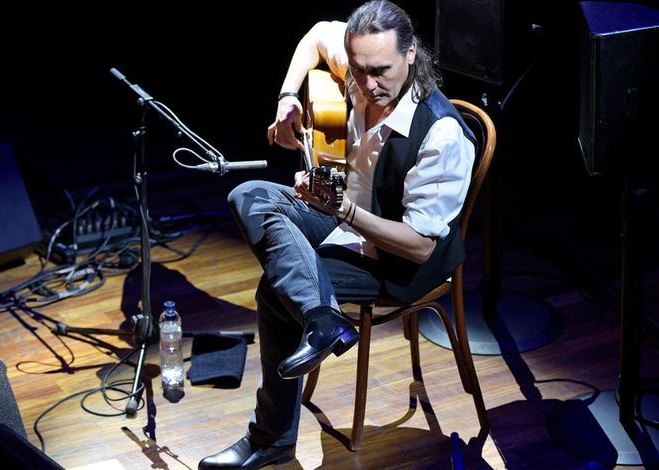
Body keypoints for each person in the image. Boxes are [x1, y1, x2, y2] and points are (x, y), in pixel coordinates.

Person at [199, 1, 476, 468]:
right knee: (248, 195)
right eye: (360, 71)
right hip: (348, 216)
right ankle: (323, 319)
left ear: (412, 54)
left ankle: (271, 437)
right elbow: (315, 34)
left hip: (398, 258)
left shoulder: (442, 135)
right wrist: (288, 98)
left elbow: (418, 245)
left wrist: (343, 209)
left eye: (381, 71)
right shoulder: (363, 63)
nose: (367, 86)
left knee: (275, 291)